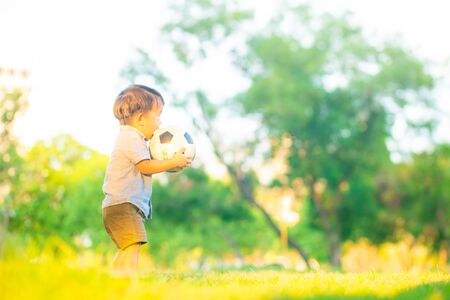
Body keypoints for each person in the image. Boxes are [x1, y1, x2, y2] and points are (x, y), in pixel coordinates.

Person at [102, 84, 190, 275]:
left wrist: (170, 162)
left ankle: (115, 279)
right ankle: (129, 281)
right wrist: (172, 161)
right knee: (134, 244)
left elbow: (148, 163)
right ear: (141, 118)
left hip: (120, 205)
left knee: (126, 246)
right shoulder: (130, 137)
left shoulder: (134, 139)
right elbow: (146, 166)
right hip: (122, 204)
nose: (160, 122)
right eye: (158, 115)